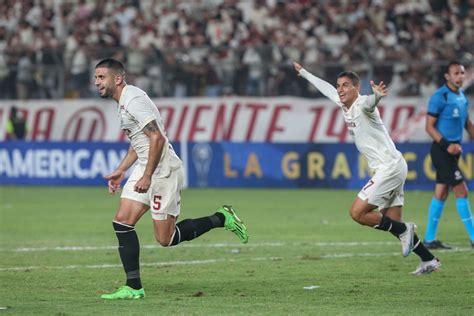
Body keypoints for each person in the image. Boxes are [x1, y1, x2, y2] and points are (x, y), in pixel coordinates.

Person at [94, 58, 249, 300]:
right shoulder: (124, 101)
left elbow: (158, 139)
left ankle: (222, 217)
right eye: (96, 78)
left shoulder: (133, 100)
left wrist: (147, 176)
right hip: (147, 167)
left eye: (101, 77)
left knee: (165, 239)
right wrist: (121, 169)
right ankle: (133, 287)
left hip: (163, 170)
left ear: (118, 78)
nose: (97, 82)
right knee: (122, 222)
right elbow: (140, 142)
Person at [293, 62, 440, 275]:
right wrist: (305, 73)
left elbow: (370, 104)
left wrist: (377, 96)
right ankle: (428, 260)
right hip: (395, 165)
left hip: (389, 167)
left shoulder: (362, 104)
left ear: (356, 88)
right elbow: (326, 89)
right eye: (339, 86)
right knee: (393, 222)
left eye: (345, 86)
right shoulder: (344, 103)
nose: (340, 90)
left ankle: (405, 230)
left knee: (357, 213)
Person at [423, 61, 474, 249]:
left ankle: (429, 239)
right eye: (456, 73)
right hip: (442, 150)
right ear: (447, 76)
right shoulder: (440, 97)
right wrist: (447, 145)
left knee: (441, 193)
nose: (460, 76)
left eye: (462, 73)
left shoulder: (462, 97)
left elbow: (467, 123)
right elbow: (429, 127)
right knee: (462, 190)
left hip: (454, 151)